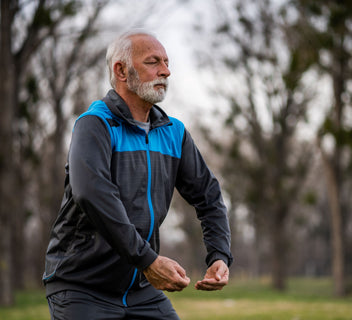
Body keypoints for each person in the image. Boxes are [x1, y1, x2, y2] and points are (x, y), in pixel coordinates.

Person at [43, 30, 233, 320]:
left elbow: (209, 196)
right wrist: (148, 261)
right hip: (81, 287)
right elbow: (91, 194)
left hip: (140, 289)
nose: (166, 71)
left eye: (167, 62)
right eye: (153, 62)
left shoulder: (175, 133)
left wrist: (219, 255)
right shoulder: (94, 125)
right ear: (121, 70)